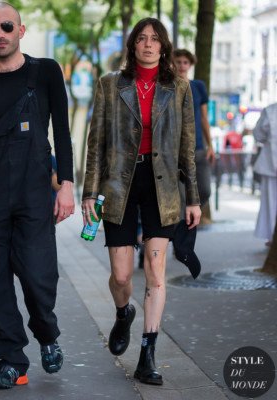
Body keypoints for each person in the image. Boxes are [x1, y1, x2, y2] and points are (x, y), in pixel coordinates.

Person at [0, 2, 75, 389]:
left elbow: (63, 134)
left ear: (20, 31)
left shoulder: (46, 72)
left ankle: (48, 334)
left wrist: (68, 186)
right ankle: (11, 360)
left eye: (7, 26)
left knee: (39, 276)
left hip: (34, 190)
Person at [82, 18, 201, 386]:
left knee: (155, 271)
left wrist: (193, 199)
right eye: (141, 39)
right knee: (120, 275)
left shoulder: (178, 88)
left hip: (162, 187)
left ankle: (147, 354)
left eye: (155, 40)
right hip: (119, 185)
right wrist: (89, 192)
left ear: (163, 47)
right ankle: (123, 313)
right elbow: (95, 143)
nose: (148, 45)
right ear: (132, 45)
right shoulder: (108, 85)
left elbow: (187, 148)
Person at [173, 49, 215, 209]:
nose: (182, 66)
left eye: (185, 62)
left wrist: (210, 145)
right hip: (175, 150)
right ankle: (183, 227)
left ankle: (190, 217)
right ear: (172, 63)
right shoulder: (168, 87)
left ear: (190, 65)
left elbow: (204, 118)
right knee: (181, 195)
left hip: (197, 148)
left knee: (205, 190)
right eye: (178, 62)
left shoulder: (198, 86)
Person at [252, 102, 277, 247]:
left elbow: (258, 135)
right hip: (269, 165)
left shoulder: (270, 111)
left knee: (270, 203)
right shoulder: (269, 111)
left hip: (270, 165)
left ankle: (271, 236)